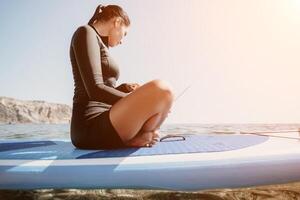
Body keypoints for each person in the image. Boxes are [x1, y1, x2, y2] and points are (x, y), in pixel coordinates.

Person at [69, 4, 174, 149]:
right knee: (162, 89)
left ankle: (139, 136)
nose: (122, 40)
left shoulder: (98, 42)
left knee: (165, 98)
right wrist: (140, 102)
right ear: (117, 22)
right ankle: (141, 134)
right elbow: (94, 89)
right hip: (90, 125)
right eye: (124, 34)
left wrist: (124, 89)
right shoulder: (85, 32)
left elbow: (102, 90)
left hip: (108, 117)